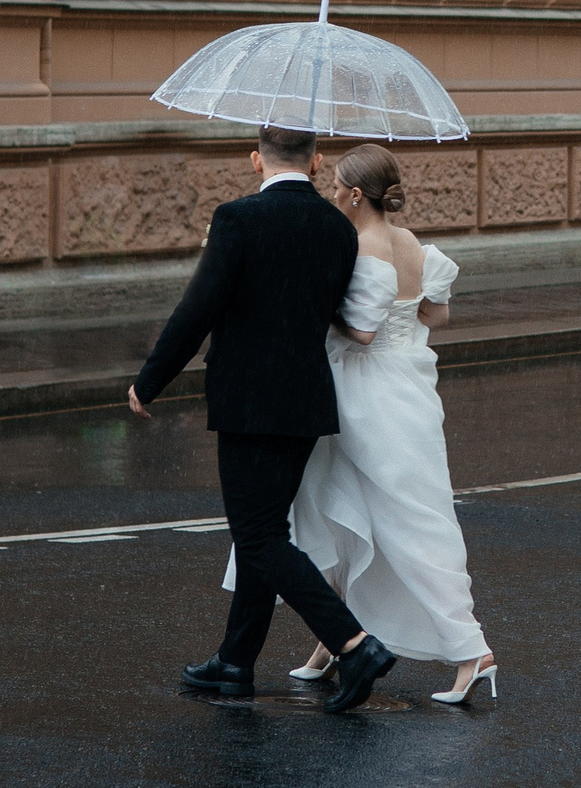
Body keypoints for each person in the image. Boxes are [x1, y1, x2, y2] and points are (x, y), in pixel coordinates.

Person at [128, 124, 400, 715]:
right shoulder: (337, 226)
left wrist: (150, 379)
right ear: (317, 161)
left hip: (249, 401)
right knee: (264, 530)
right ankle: (235, 661)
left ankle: (354, 645)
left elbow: (198, 308)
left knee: (258, 535)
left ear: (257, 160)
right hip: (305, 400)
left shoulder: (237, 219)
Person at [271, 144, 498, 706]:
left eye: (335, 187)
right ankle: (333, 640)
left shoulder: (365, 246)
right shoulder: (408, 241)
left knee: (399, 521)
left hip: (365, 395)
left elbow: (363, 332)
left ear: (354, 194)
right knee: (349, 511)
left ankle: (471, 650)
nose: (329, 195)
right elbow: (436, 314)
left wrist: (319, 306)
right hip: (408, 387)